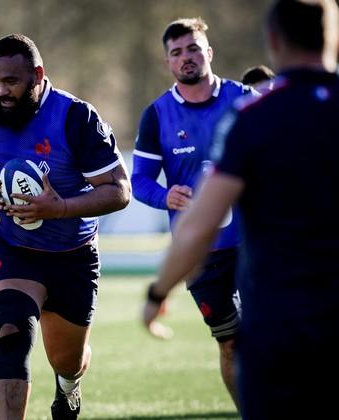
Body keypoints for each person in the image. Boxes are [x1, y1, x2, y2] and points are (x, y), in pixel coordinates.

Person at [142, 0, 339, 418]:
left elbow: (201, 222)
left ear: (273, 41)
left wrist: (158, 292)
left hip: (278, 323)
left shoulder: (250, 116)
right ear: (337, 37)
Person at [0, 34, 130, 419]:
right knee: (11, 335)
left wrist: (59, 208)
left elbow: (119, 191)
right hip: (10, 247)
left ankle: (68, 386)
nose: (0, 91)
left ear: (38, 76)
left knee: (67, 360)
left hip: (71, 254)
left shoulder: (76, 117)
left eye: (10, 81)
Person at [131, 17, 255, 408]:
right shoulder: (157, 114)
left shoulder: (245, 100)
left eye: (193, 48)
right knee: (231, 343)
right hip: (202, 256)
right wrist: (165, 196)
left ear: (209, 52)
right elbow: (140, 181)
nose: (186, 57)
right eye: (177, 52)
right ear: (168, 61)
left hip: (257, 244)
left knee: (272, 335)